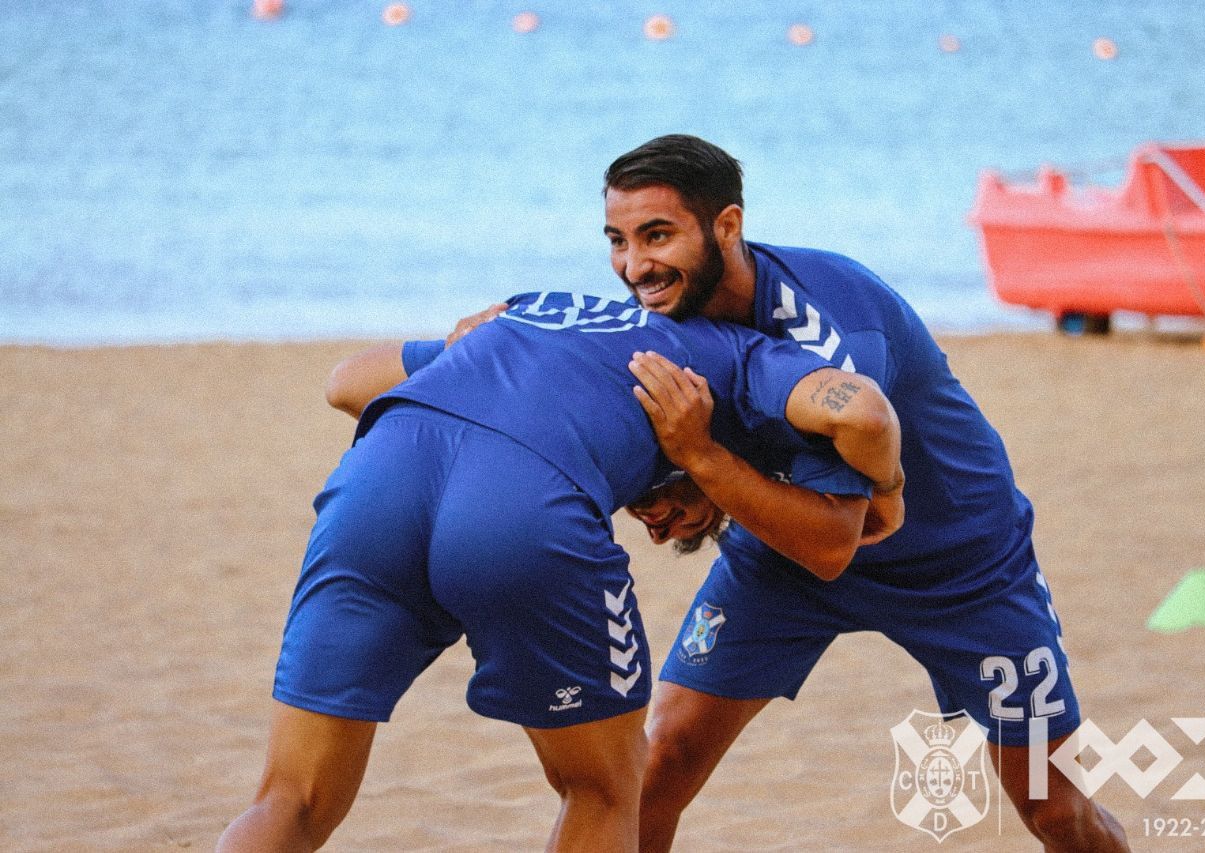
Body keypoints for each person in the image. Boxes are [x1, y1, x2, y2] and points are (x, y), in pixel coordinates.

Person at [217, 290, 903, 852]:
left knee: (292, 799)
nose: (659, 524)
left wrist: (456, 345)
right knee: (605, 788)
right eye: (700, 518)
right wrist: (891, 488)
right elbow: (866, 410)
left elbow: (344, 384)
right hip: (521, 503)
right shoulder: (736, 361)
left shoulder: (537, 307)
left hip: (378, 478)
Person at [598, 135, 1131, 851]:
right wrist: (692, 487)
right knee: (658, 765)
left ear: (727, 226)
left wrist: (703, 458)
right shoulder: (670, 314)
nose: (636, 268)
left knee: (1059, 813)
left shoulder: (831, 332)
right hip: (777, 558)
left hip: (962, 568)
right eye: (618, 241)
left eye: (657, 235)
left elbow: (831, 543)